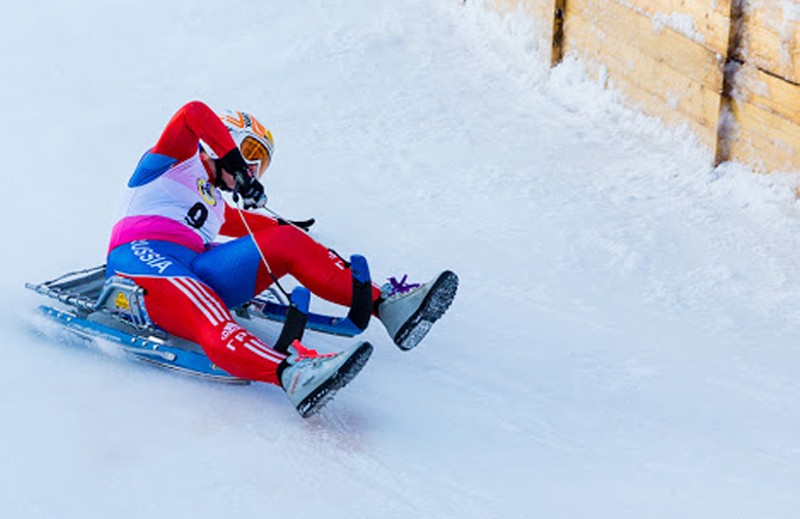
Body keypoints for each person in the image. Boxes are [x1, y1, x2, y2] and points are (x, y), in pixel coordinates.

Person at [105, 100, 458, 417]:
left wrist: (287, 226)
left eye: (260, 164)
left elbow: (247, 225)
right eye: (250, 152)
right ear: (223, 139)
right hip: (140, 255)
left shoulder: (214, 202)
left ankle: (391, 307)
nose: (254, 166)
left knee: (287, 241)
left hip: (195, 263)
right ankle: (291, 373)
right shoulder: (174, 159)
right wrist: (236, 165)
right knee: (204, 306)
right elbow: (192, 112)